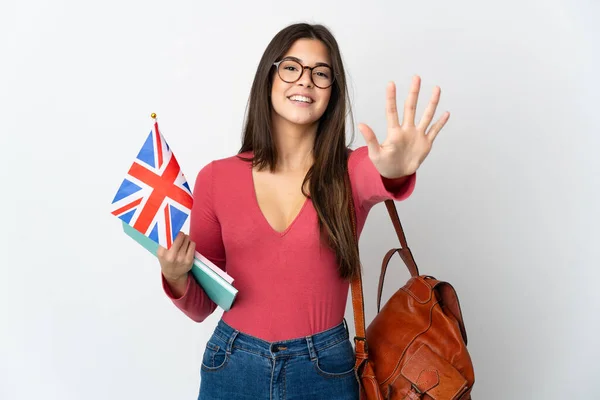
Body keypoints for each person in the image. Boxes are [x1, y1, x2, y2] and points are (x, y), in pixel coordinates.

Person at [157, 22, 449, 400]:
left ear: (333, 91)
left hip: (324, 369)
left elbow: (380, 175)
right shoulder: (217, 178)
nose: (305, 81)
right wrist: (175, 275)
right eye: (292, 67)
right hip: (232, 364)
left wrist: (395, 169)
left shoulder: (352, 169)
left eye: (321, 73)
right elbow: (202, 307)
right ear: (270, 76)